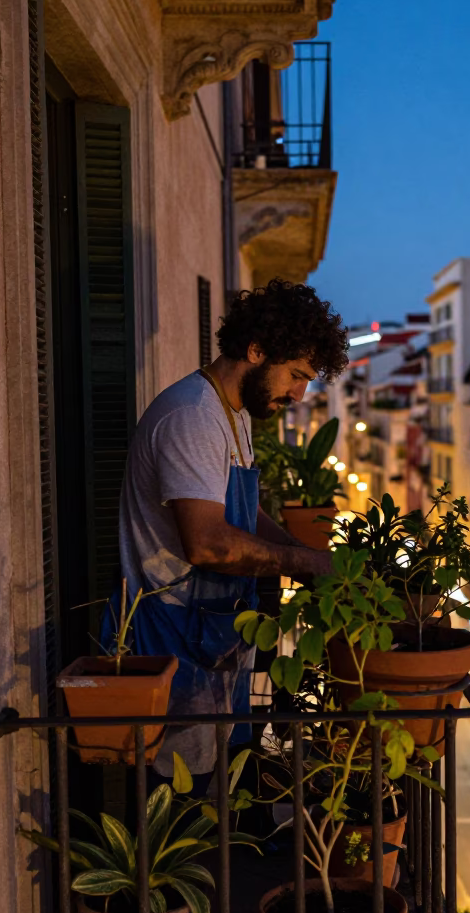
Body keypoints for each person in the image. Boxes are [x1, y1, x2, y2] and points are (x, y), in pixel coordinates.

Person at [103, 278, 349, 786]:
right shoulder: (193, 416)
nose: (301, 394)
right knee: (176, 812)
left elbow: (244, 516)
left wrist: (301, 552)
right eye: (297, 375)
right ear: (256, 350)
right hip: (169, 643)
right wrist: (305, 563)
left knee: (216, 795)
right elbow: (209, 541)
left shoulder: (230, 414)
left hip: (211, 641)